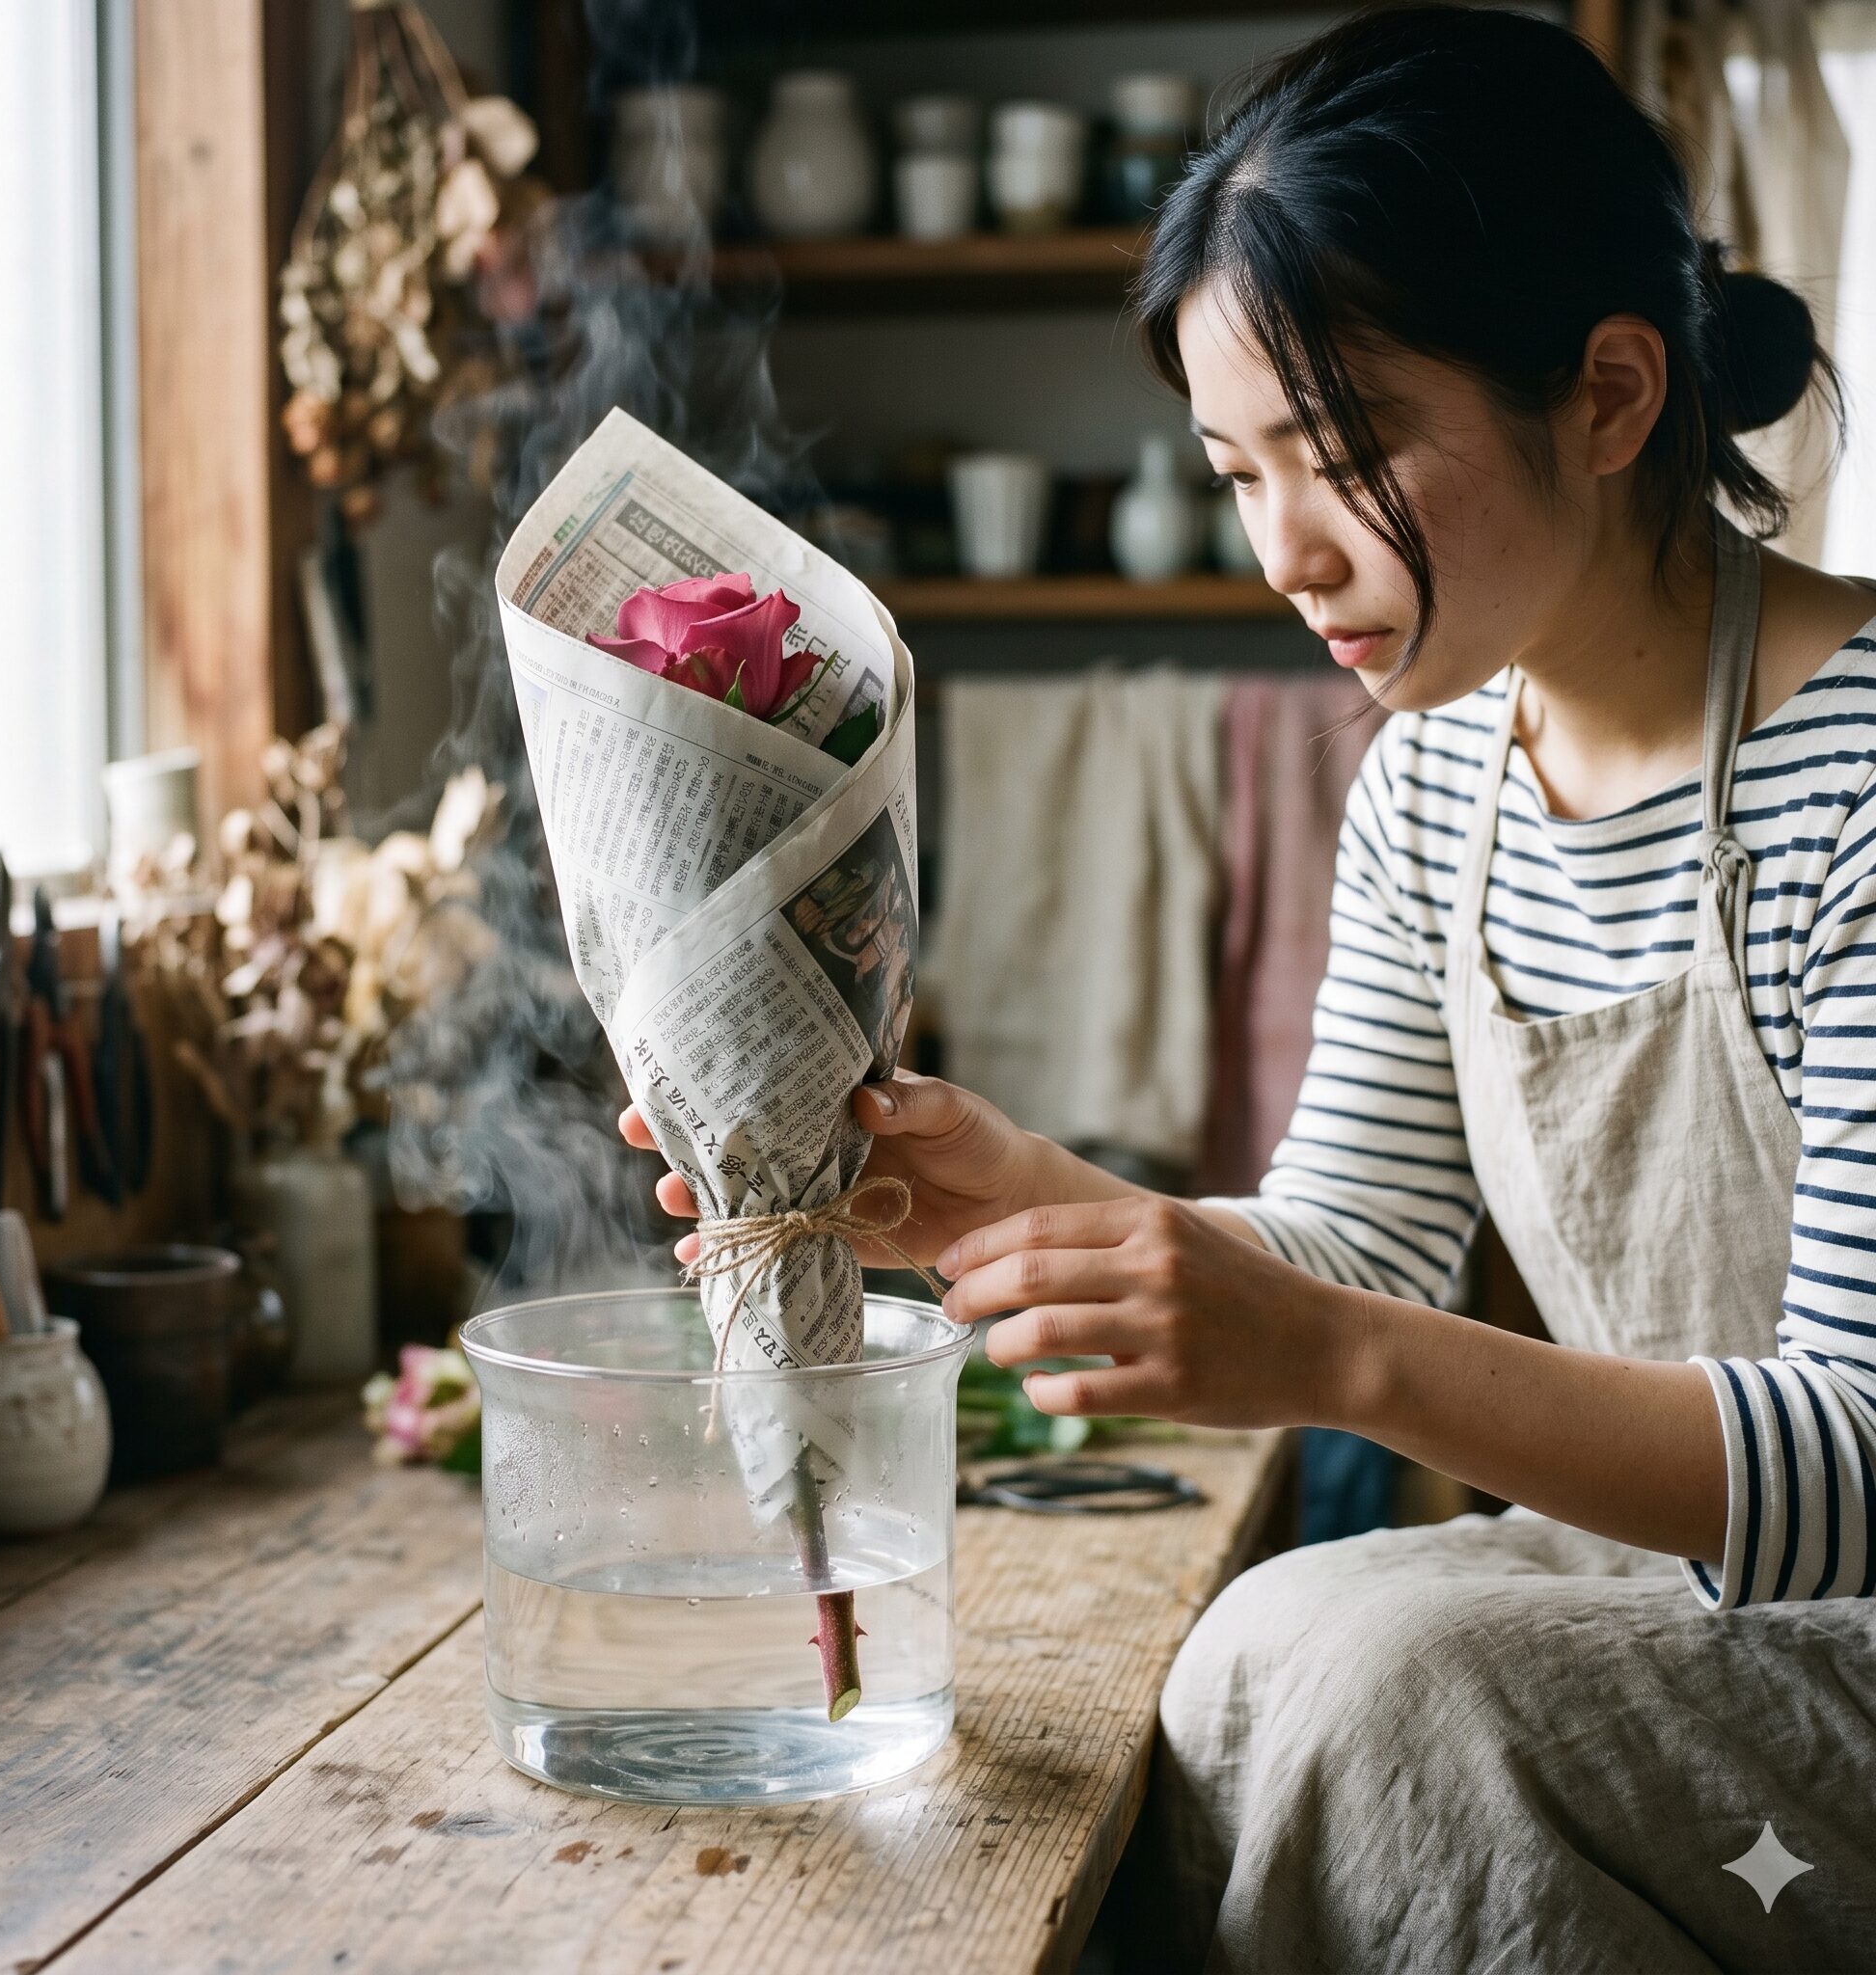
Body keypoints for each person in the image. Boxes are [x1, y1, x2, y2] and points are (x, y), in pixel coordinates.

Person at [622, 8, 1876, 1965]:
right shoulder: (1437, 783)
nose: (1283, 549)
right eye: (1233, 470)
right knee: (1244, 1662)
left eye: (1345, 455)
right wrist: (1011, 1203)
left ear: (1612, 393)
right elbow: (1358, 1251)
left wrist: (1327, 1353)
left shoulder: (1857, 777)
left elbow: (1857, 1461)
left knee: (1392, 1700)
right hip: (1693, 1588)